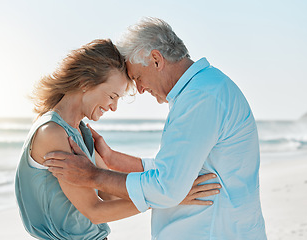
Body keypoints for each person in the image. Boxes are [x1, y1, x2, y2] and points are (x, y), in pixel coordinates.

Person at [44, 17, 267, 239]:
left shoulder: (201, 98)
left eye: (137, 77)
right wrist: (112, 159)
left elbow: (167, 188)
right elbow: (174, 168)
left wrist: (92, 175)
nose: (140, 89)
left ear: (156, 59)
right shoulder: (203, 90)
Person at [15, 39, 222, 240]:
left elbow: (110, 196)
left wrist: (167, 191)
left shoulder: (82, 132)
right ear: (85, 83)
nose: (114, 107)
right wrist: (167, 198)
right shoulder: (52, 132)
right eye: (112, 96)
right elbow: (95, 211)